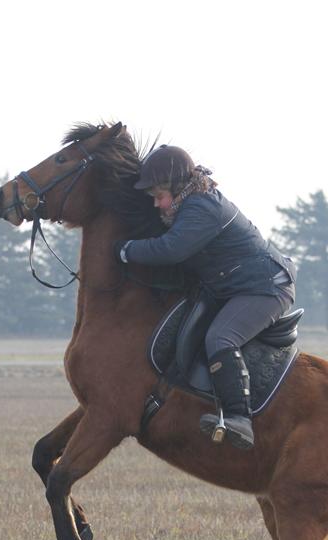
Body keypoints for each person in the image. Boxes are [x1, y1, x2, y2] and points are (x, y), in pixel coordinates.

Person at [114, 145, 296, 450]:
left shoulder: (202, 208)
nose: (157, 205)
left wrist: (124, 250)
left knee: (221, 339)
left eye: (159, 196)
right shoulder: (190, 205)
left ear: (176, 187)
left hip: (266, 288)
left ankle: (240, 419)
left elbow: (171, 249)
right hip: (233, 287)